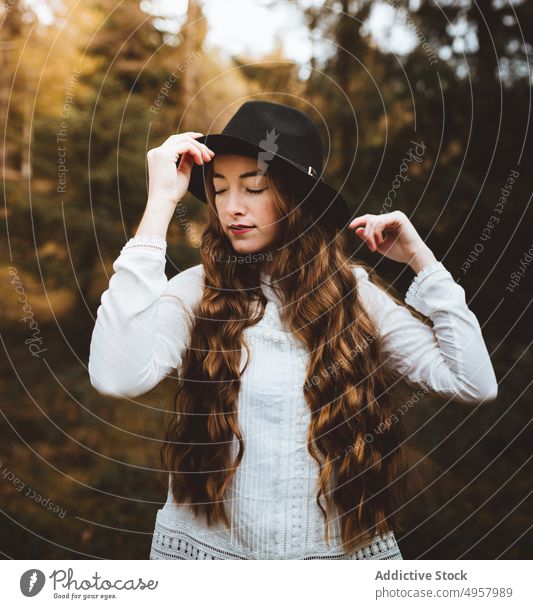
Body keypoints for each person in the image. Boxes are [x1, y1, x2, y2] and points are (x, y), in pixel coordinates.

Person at [88, 100, 498, 560]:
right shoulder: (196, 292)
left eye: (254, 187)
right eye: (219, 190)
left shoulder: (352, 294)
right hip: (209, 558)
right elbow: (115, 376)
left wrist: (423, 262)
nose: (231, 208)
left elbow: (473, 381)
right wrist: (159, 205)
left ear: (295, 197)